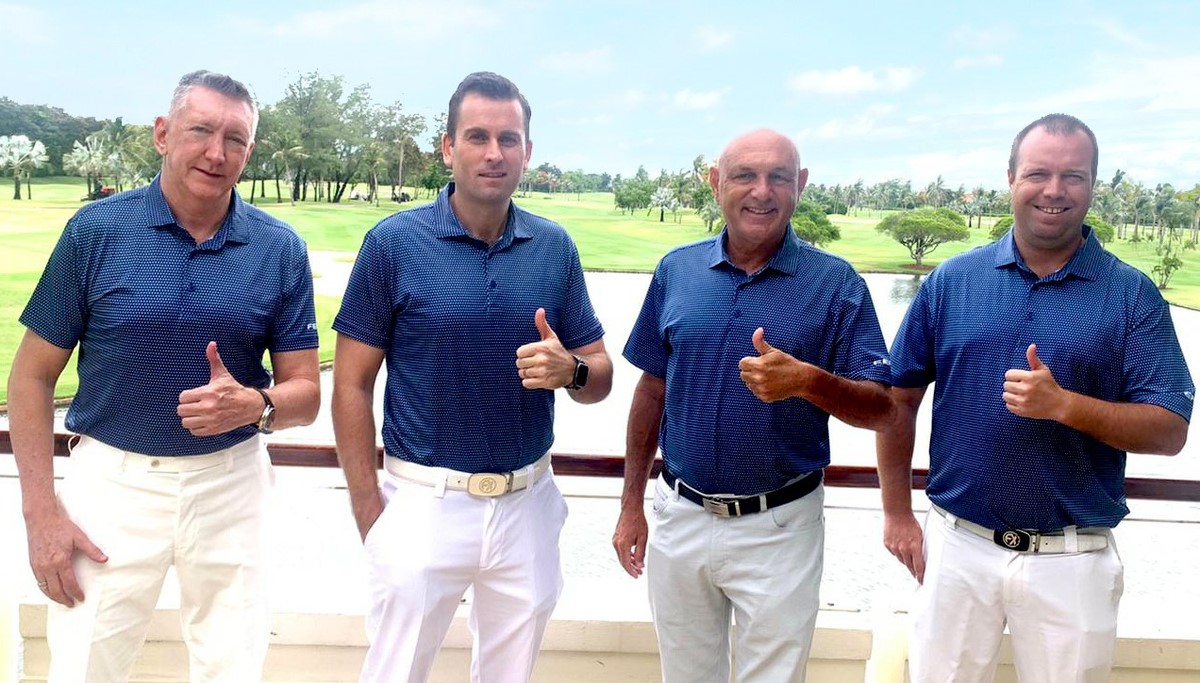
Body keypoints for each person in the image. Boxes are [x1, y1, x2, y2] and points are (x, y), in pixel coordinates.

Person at [8, 70, 320, 682]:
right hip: (112, 485)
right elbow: (31, 377)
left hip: (232, 485)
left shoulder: (279, 248)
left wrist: (254, 405)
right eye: (200, 130)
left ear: (249, 151)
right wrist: (40, 512)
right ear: (162, 134)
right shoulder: (97, 232)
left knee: (233, 668)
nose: (216, 152)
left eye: (235, 139)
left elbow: (305, 393)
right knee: (85, 668)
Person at [877, 113, 1193, 682]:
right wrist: (898, 513)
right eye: (1038, 173)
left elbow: (1170, 429)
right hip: (957, 547)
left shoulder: (1131, 295)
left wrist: (1065, 406)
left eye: (1073, 176)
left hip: (1072, 561)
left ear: (1093, 185)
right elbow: (898, 400)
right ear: (1011, 179)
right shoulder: (953, 281)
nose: (1054, 190)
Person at [332, 71, 613, 683]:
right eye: (478, 136)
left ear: (527, 152)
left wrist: (571, 370)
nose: (494, 153)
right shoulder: (393, 244)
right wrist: (369, 512)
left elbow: (601, 378)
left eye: (509, 139)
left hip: (527, 505)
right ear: (448, 147)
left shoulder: (554, 247)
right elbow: (351, 384)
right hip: (422, 504)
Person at [612, 128, 894, 682]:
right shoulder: (676, 271)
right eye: (745, 175)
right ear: (716, 182)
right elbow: (651, 390)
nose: (762, 191)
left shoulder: (836, 284)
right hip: (680, 516)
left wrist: (809, 381)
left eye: (778, 177)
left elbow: (882, 409)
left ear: (800, 185)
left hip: (780, 527)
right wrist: (630, 506)